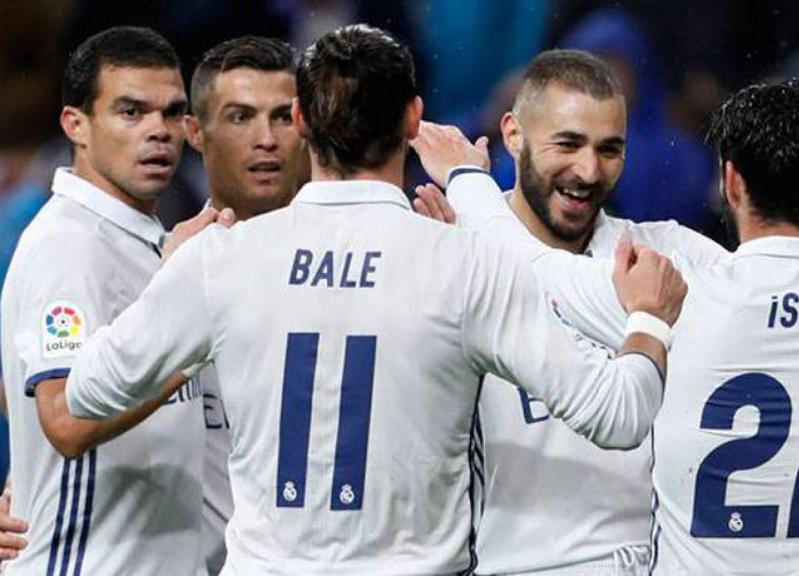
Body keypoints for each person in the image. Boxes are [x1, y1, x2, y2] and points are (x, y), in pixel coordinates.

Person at [61, 24, 683, 574]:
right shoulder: (464, 263)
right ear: (413, 119)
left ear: (300, 119)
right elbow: (619, 415)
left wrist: (169, 279)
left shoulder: (221, 259)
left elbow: (87, 390)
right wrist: (649, 320)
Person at [409, 50, 799, 575]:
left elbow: (531, 272)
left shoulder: (681, 273)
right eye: (568, 143)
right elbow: (797, 295)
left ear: (731, 181)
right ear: (514, 133)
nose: (589, 169)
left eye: (610, 148)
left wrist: (466, 183)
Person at [0, 26, 226, 575]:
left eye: (172, 112)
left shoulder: (143, 239)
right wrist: (183, 340)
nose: (158, 131)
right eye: (131, 112)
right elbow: (66, 419)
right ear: (75, 124)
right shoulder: (71, 245)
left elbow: (21, 387)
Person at [184, 34, 309, 574]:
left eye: (283, 117)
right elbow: (45, 398)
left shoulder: (368, 268)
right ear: (195, 131)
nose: (266, 140)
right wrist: (29, 492)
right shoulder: (162, 266)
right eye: (240, 117)